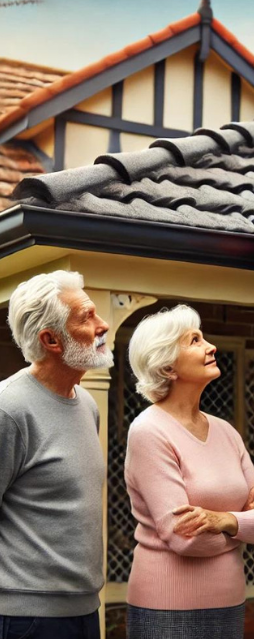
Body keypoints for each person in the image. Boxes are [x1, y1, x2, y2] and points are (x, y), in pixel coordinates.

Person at [125, 304, 254, 639]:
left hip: (229, 602)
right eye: (195, 341)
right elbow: (184, 537)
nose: (211, 346)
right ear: (167, 366)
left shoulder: (226, 431)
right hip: (166, 611)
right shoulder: (149, 432)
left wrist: (224, 520)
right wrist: (243, 526)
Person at [0, 270, 113, 639]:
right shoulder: (8, 409)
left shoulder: (87, 405)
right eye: (87, 317)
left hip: (84, 610)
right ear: (51, 339)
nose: (103, 325)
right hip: (26, 619)